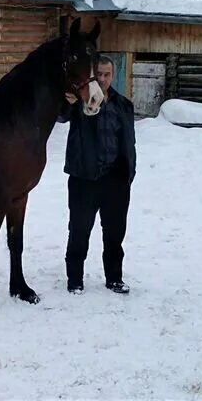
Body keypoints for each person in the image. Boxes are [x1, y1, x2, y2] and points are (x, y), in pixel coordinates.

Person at [58, 55, 136, 294]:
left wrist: (129, 171)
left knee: (114, 233)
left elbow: (128, 141)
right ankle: (75, 279)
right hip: (84, 178)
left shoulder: (123, 104)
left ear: (112, 76)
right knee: (79, 230)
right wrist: (69, 101)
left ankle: (114, 278)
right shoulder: (81, 102)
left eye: (107, 74)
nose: (103, 79)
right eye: (99, 74)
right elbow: (61, 115)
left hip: (116, 179)